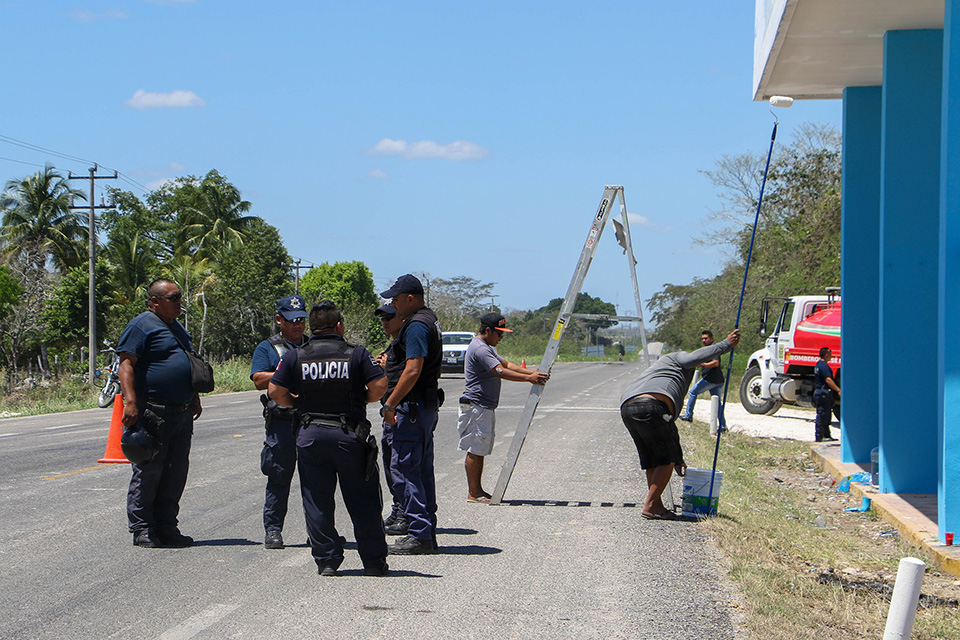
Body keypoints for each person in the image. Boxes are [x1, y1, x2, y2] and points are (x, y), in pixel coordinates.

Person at [268, 301, 389, 577]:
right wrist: (362, 398)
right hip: (349, 436)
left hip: (310, 436)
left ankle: (327, 561)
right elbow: (380, 385)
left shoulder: (296, 356)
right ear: (339, 326)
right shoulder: (355, 354)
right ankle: (373, 562)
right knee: (363, 500)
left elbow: (275, 391)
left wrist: (295, 404)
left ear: (312, 327)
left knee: (317, 500)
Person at [619, 329, 740, 520]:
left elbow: (670, 430)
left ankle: (656, 505)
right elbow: (693, 357)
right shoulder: (676, 358)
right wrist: (726, 345)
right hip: (651, 406)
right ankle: (650, 505)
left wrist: (679, 456)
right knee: (666, 460)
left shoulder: (660, 371)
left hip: (628, 408)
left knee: (653, 459)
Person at [117, 278, 201, 548]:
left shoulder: (176, 327)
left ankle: (167, 526)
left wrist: (194, 396)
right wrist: (130, 402)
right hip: (153, 410)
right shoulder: (141, 325)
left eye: (179, 297)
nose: (179, 303)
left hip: (182, 411)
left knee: (176, 471)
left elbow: (187, 362)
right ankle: (143, 528)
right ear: (155, 301)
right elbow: (126, 364)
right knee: (149, 469)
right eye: (173, 298)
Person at [379, 274, 443, 555]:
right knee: (420, 470)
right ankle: (426, 530)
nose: (392, 304)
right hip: (422, 408)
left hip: (412, 409)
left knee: (406, 470)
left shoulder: (416, 326)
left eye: (395, 299)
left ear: (410, 299)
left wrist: (391, 404)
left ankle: (419, 532)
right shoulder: (429, 320)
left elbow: (413, 370)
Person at [458, 312, 549, 502]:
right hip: (477, 405)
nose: (501, 338)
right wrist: (528, 378)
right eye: (499, 333)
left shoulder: (486, 347)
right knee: (476, 448)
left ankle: (478, 491)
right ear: (488, 330)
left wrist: (531, 372)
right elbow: (499, 370)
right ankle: (474, 492)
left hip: (483, 406)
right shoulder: (480, 349)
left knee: (480, 448)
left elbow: (505, 363)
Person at [250, 294, 309, 550]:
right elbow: (258, 379)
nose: (297, 324)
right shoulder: (268, 348)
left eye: (301, 319)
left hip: (310, 421)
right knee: (278, 476)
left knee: (316, 480)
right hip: (283, 423)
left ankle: (319, 531)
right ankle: (273, 529)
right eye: (291, 320)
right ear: (279, 319)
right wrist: (287, 373)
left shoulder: (314, 344)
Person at [373, 303, 406, 533]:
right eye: (382, 318)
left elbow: (411, 375)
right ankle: (398, 508)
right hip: (389, 413)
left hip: (400, 413)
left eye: (389, 317)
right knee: (390, 465)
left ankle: (405, 513)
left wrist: (389, 365)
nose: (385, 322)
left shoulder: (405, 345)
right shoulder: (393, 345)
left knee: (399, 466)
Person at [679, 330, 726, 428]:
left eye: (706, 338)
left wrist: (703, 364)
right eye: (702, 339)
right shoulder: (707, 349)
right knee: (716, 404)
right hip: (717, 380)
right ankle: (722, 426)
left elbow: (715, 363)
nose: (704, 340)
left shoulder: (713, 349)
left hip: (711, 379)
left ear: (711, 339)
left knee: (692, 392)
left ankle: (688, 416)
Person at [813, 347, 840, 442]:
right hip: (823, 393)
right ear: (826, 355)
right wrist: (838, 390)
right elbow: (828, 379)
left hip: (822, 392)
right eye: (830, 353)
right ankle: (820, 436)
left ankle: (826, 435)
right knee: (823, 414)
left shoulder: (819, 364)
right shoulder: (823, 366)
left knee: (827, 414)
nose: (831, 356)